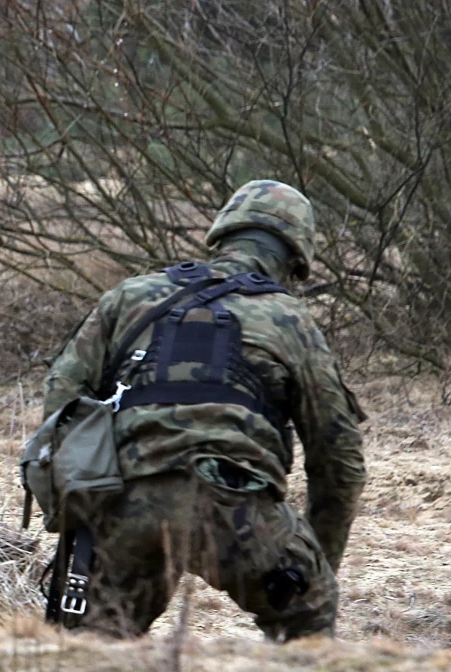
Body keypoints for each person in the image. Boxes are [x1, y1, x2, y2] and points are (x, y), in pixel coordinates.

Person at [39, 180, 367, 641]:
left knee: (93, 649)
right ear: (295, 262)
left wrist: (82, 512)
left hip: (127, 502)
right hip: (235, 509)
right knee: (307, 623)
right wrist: (315, 568)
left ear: (221, 236)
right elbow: (340, 464)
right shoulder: (291, 320)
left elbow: (62, 398)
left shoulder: (131, 297)